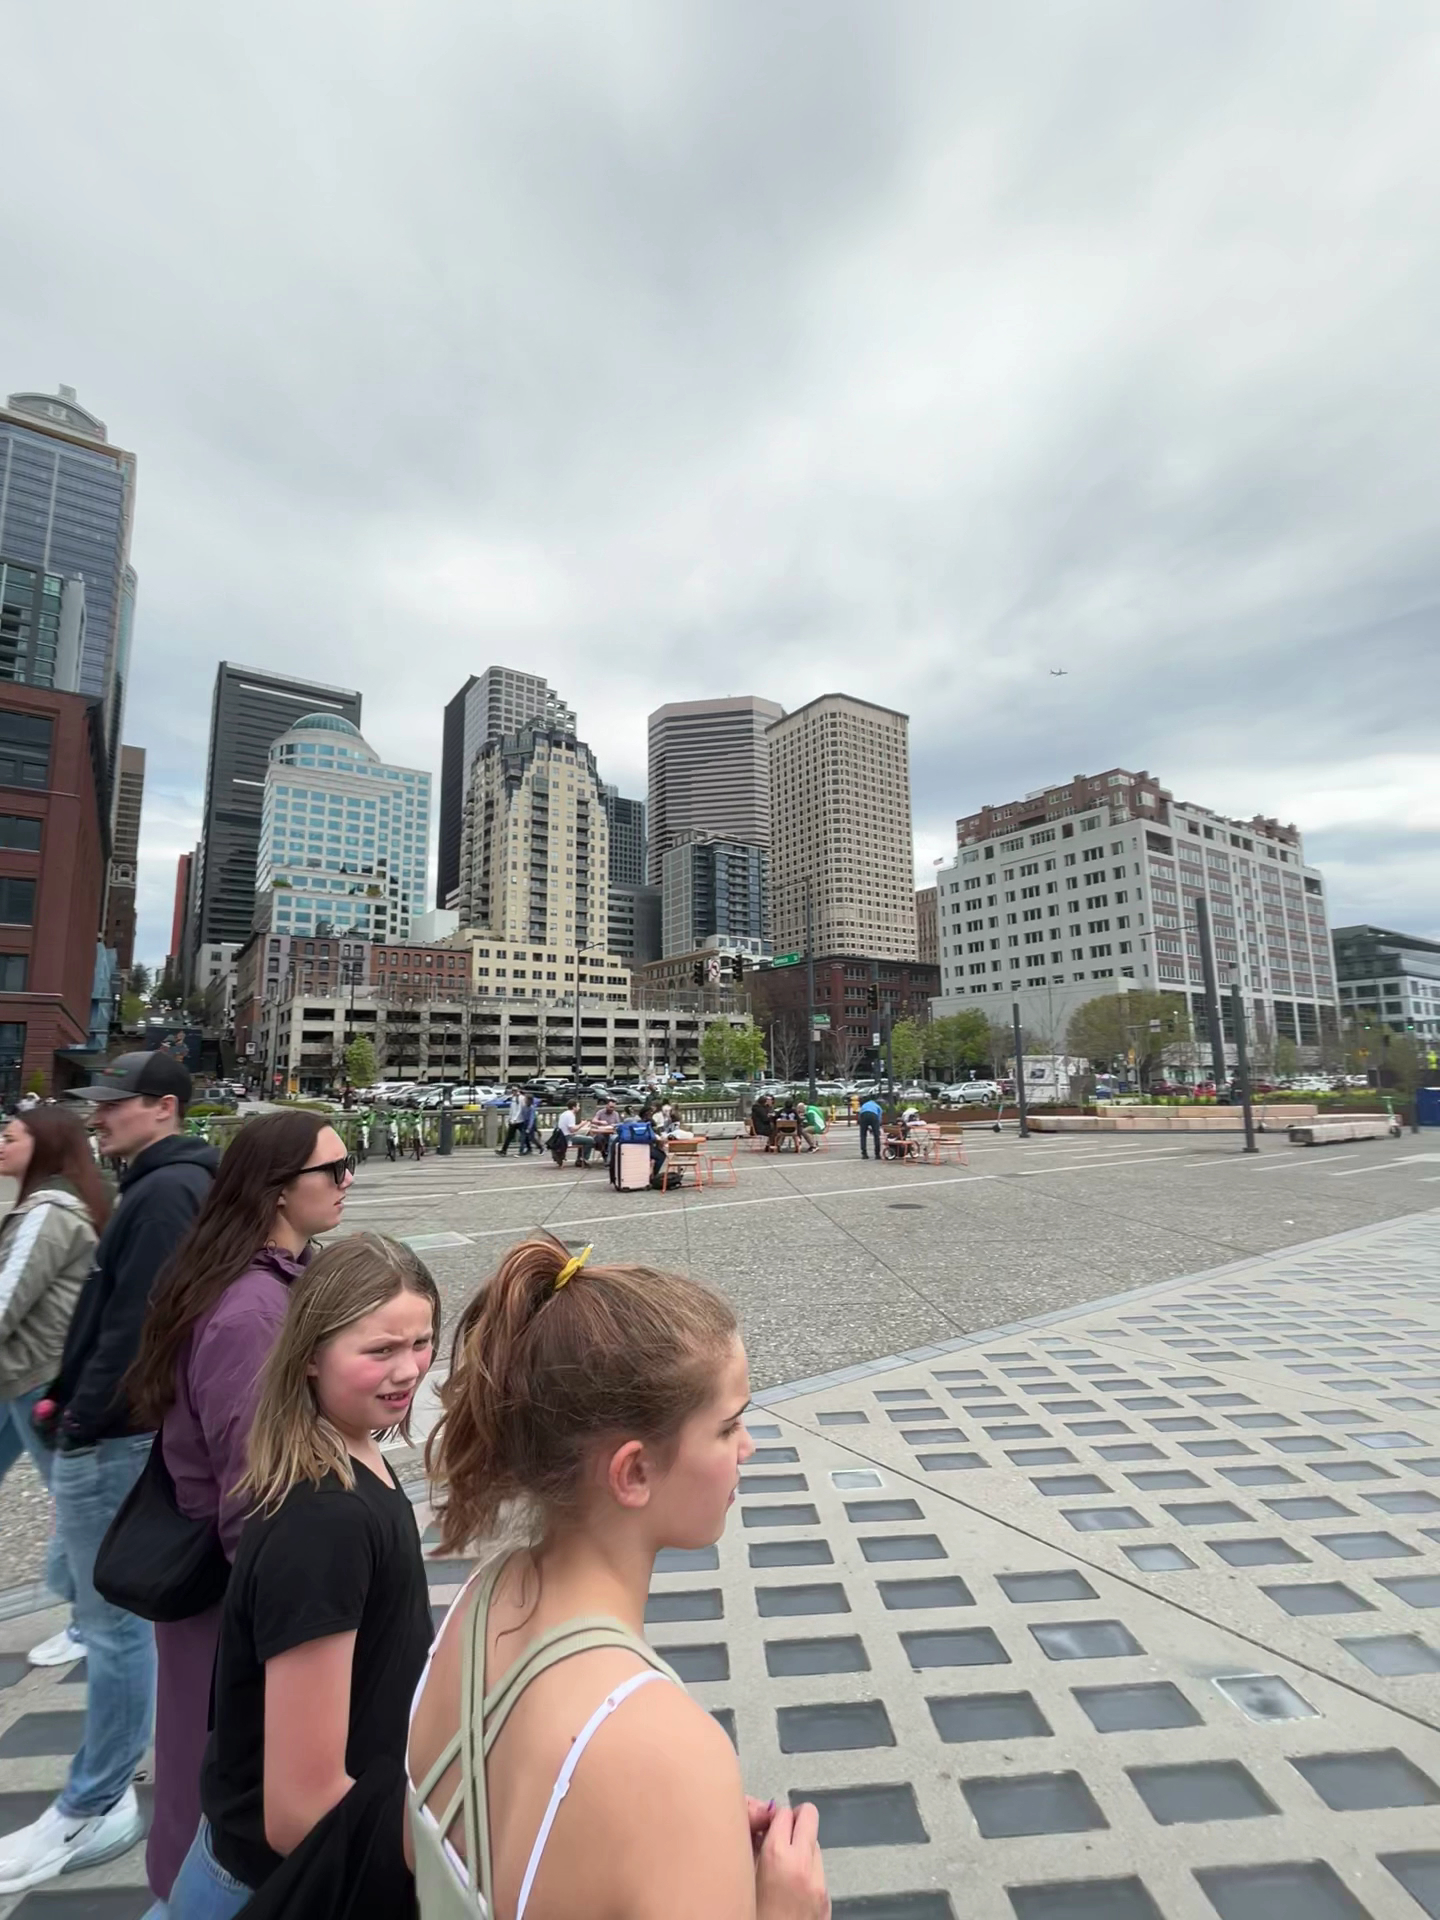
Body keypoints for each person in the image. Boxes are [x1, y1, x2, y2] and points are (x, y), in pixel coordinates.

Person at [408, 1235, 829, 1919]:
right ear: (633, 1472)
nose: (747, 1447)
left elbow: (417, 1850)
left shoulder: (479, 1603)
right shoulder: (668, 1751)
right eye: (727, 1428)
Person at [0, 1053, 218, 1896]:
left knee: (115, 1622)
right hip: (103, 1419)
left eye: (114, 1106)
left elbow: (138, 1319)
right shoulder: (158, 1185)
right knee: (113, 1610)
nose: (100, 1118)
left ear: (162, 1107)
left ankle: (97, 1801)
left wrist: (83, 1412)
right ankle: (107, 1789)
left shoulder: (163, 1193)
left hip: (112, 1428)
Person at [125, 1112, 355, 1911]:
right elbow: (250, 1488)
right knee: (222, 1788)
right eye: (335, 1168)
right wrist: (291, 1614)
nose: (349, 1180)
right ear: (277, 1190)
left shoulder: (273, 1280)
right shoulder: (251, 1312)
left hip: (232, 1594)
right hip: (235, 1602)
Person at [171, 1234, 439, 1917]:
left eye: (421, 1342)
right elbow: (299, 1808)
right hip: (276, 1884)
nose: (407, 1370)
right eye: (379, 1351)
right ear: (311, 1356)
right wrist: (450, 1863)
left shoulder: (346, 1454)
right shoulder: (326, 1522)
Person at [0, 1108, 110, 1667]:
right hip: (19, 1374)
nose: (1, 1142)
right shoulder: (46, 1205)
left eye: (10, 1136)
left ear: (42, 1146)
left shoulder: (48, 1211)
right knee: (71, 1498)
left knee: (73, 1501)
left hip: (36, 1377)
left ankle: (90, 1619)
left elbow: (6, 1298)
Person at [496, 1089, 526, 1157]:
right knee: (509, 1136)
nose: (513, 1092)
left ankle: (530, 1148)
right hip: (513, 1121)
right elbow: (512, 1109)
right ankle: (504, 1150)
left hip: (519, 1120)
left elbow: (520, 1109)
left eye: (515, 1090)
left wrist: (515, 1119)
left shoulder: (521, 1098)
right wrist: (510, 1118)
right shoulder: (513, 1098)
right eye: (512, 1091)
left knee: (525, 1136)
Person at [548, 1102, 578, 1168]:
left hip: (561, 1136)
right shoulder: (571, 1115)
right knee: (589, 1140)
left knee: (584, 1139)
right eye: (578, 1106)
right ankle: (582, 1159)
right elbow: (572, 1129)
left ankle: (580, 1159)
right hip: (567, 1137)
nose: (579, 1108)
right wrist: (582, 1124)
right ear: (574, 1107)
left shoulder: (564, 1113)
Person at [857, 1095, 883, 1160]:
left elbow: (860, 1115)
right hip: (874, 1116)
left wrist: (867, 1128)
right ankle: (877, 1154)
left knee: (863, 1135)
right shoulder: (877, 1106)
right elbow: (879, 1117)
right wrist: (876, 1128)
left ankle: (864, 1153)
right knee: (876, 1136)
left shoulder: (864, 1105)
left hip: (864, 1115)